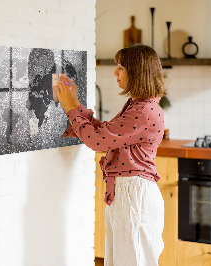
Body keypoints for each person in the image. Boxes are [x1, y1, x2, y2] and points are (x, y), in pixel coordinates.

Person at [54, 44, 166, 266]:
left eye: (121, 67)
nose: (115, 72)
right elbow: (105, 133)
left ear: (137, 72)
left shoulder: (143, 111)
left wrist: (69, 108)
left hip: (134, 195)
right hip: (129, 193)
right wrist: (75, 104)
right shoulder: (139, 106)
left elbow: (97, 141)